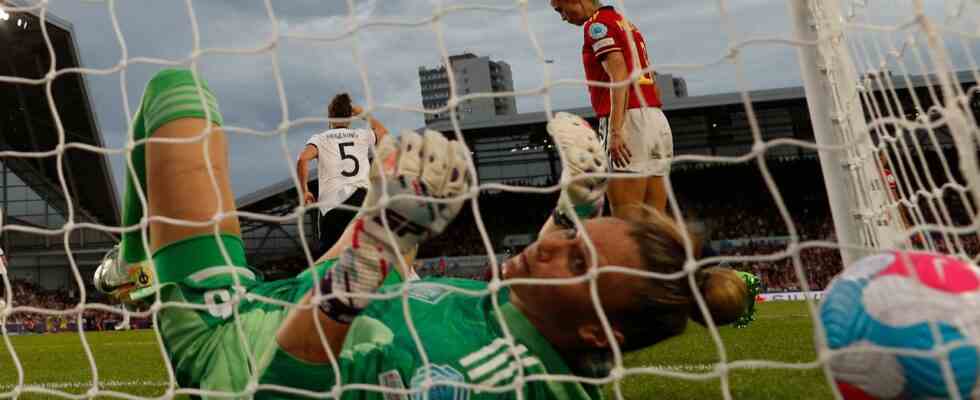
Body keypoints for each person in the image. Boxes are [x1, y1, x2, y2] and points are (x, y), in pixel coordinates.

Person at [99, 68, 755, 399]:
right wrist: (578, 201)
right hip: (327, 273)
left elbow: (282, 388)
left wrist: (382, 236)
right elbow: (555, 285)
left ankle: (136, 272)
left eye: (573, 254)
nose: (551, 244)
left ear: (597, 333)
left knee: (174, 94)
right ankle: (135, 271)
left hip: (238, 343)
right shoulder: (558, 334)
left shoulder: (474, 380)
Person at [550, 0, 674, 217]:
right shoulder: (625, 23)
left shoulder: (596, 26)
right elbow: (650, 77)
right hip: (656, 119)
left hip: (627, 121)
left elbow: (619, 74)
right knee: (655, 223)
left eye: (560, 9)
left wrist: (616, 131)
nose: (562, 17)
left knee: (626, 222)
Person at [297, 93, 389, 256]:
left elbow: (303, 159)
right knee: (369, 255)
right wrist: (363, 113)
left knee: (330, 259)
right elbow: (383, 132)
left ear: (329, 117)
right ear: (350, 116)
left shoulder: (320, 138)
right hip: (362, 201)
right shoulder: (362, 135)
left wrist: (304, 190)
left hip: (333, 207)